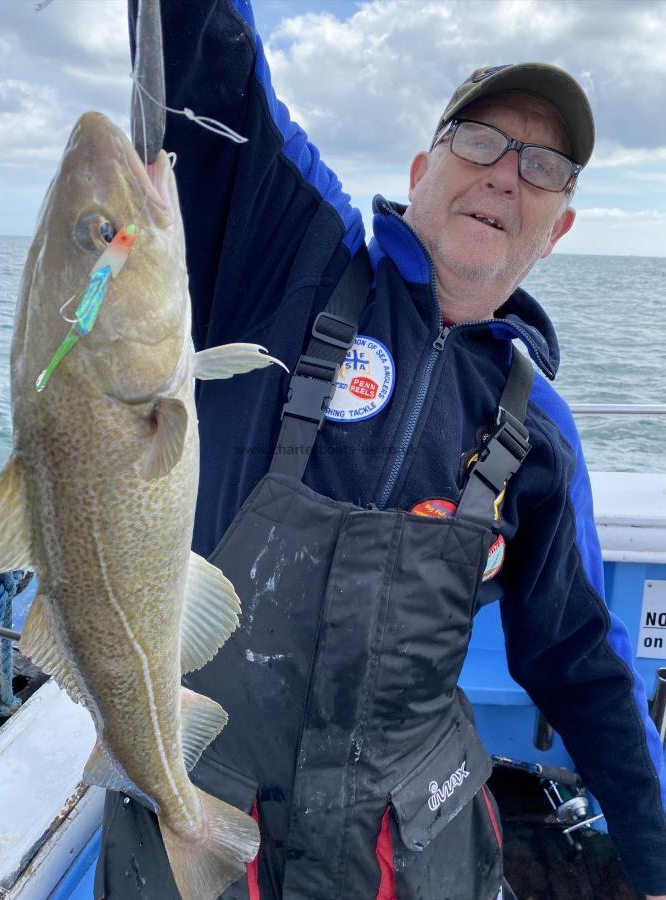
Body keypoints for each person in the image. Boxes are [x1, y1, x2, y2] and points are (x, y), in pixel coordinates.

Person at [95, 1, 666, 898]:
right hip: (199, 809)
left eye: (544, 166)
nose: (507, 176)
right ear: (419, 169)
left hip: (401, 848)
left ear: (556, 229)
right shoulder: (293, 255)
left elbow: (582, 661)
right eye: (479, 141)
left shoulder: (539, 430)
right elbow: (210, 62)